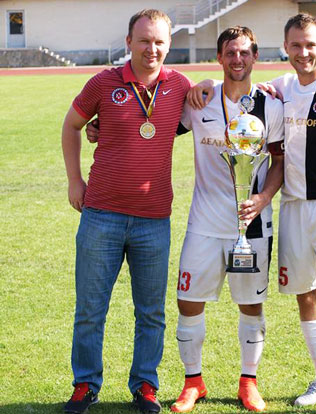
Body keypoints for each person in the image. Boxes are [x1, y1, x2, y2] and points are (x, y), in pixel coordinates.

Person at [188, 13, 316, 414]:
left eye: (311, 45)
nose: (303, 52)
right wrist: (205, 84)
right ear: (285, 48)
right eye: (296, 45)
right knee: (307, 296)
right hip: (292, 208)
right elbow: (239, 88)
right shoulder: (281, 89)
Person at [61, 9, 192, 414]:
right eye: (144, 40)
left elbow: (213, 105)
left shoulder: (180, 85)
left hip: (154, 220)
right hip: (101, 214)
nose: (152, 48)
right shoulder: (104, 82)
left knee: (151, 313)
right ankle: (86, 384)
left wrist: (238, 87)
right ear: (129, 42)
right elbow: (72, 125)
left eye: (159, 41)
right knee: (90, 309)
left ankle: (145, 385)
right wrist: (75, 180)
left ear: (169, 44)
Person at [171, 27, 284, 413]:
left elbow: (280, 161)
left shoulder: (271, 106)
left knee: (251, 305)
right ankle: (193, 382)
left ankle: (248, 382)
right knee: (188, 302)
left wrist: (263, 198)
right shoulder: (199, 100)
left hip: (252, 225)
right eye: (230, 53)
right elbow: (155, 129)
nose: (238, 59)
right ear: (219, 57)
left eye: (244, 53)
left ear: (255, 57)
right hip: (204, 223)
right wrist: (100, 128)